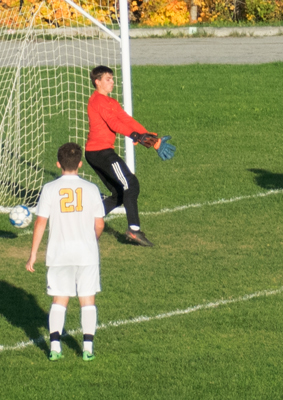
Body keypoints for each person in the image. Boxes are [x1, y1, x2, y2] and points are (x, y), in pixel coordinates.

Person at [26, 143, 105, 361]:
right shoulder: (91, 189)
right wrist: (92, 240)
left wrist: (33, 254)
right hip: (86, 253)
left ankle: (55, 348)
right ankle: (87, 349)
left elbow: (40, 223)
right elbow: (99, 224)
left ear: (58, 164)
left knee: (59, 300)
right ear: (80, 164)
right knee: (87, 300)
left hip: (59, 254)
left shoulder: (50, 189)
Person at [85, 65, 175, 247]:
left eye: (112, 78)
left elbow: (126, 120)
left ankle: (86, 223)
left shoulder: (111, 102)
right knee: (130, 184)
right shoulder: (98, 101)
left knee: (119, 193)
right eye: (108, 79)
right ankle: (134, 230)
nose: (112, 82)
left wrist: (150, 137)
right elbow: (114, 124)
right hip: (100, 152)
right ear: (97, 82)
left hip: (99, 152)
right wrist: (136, 136)